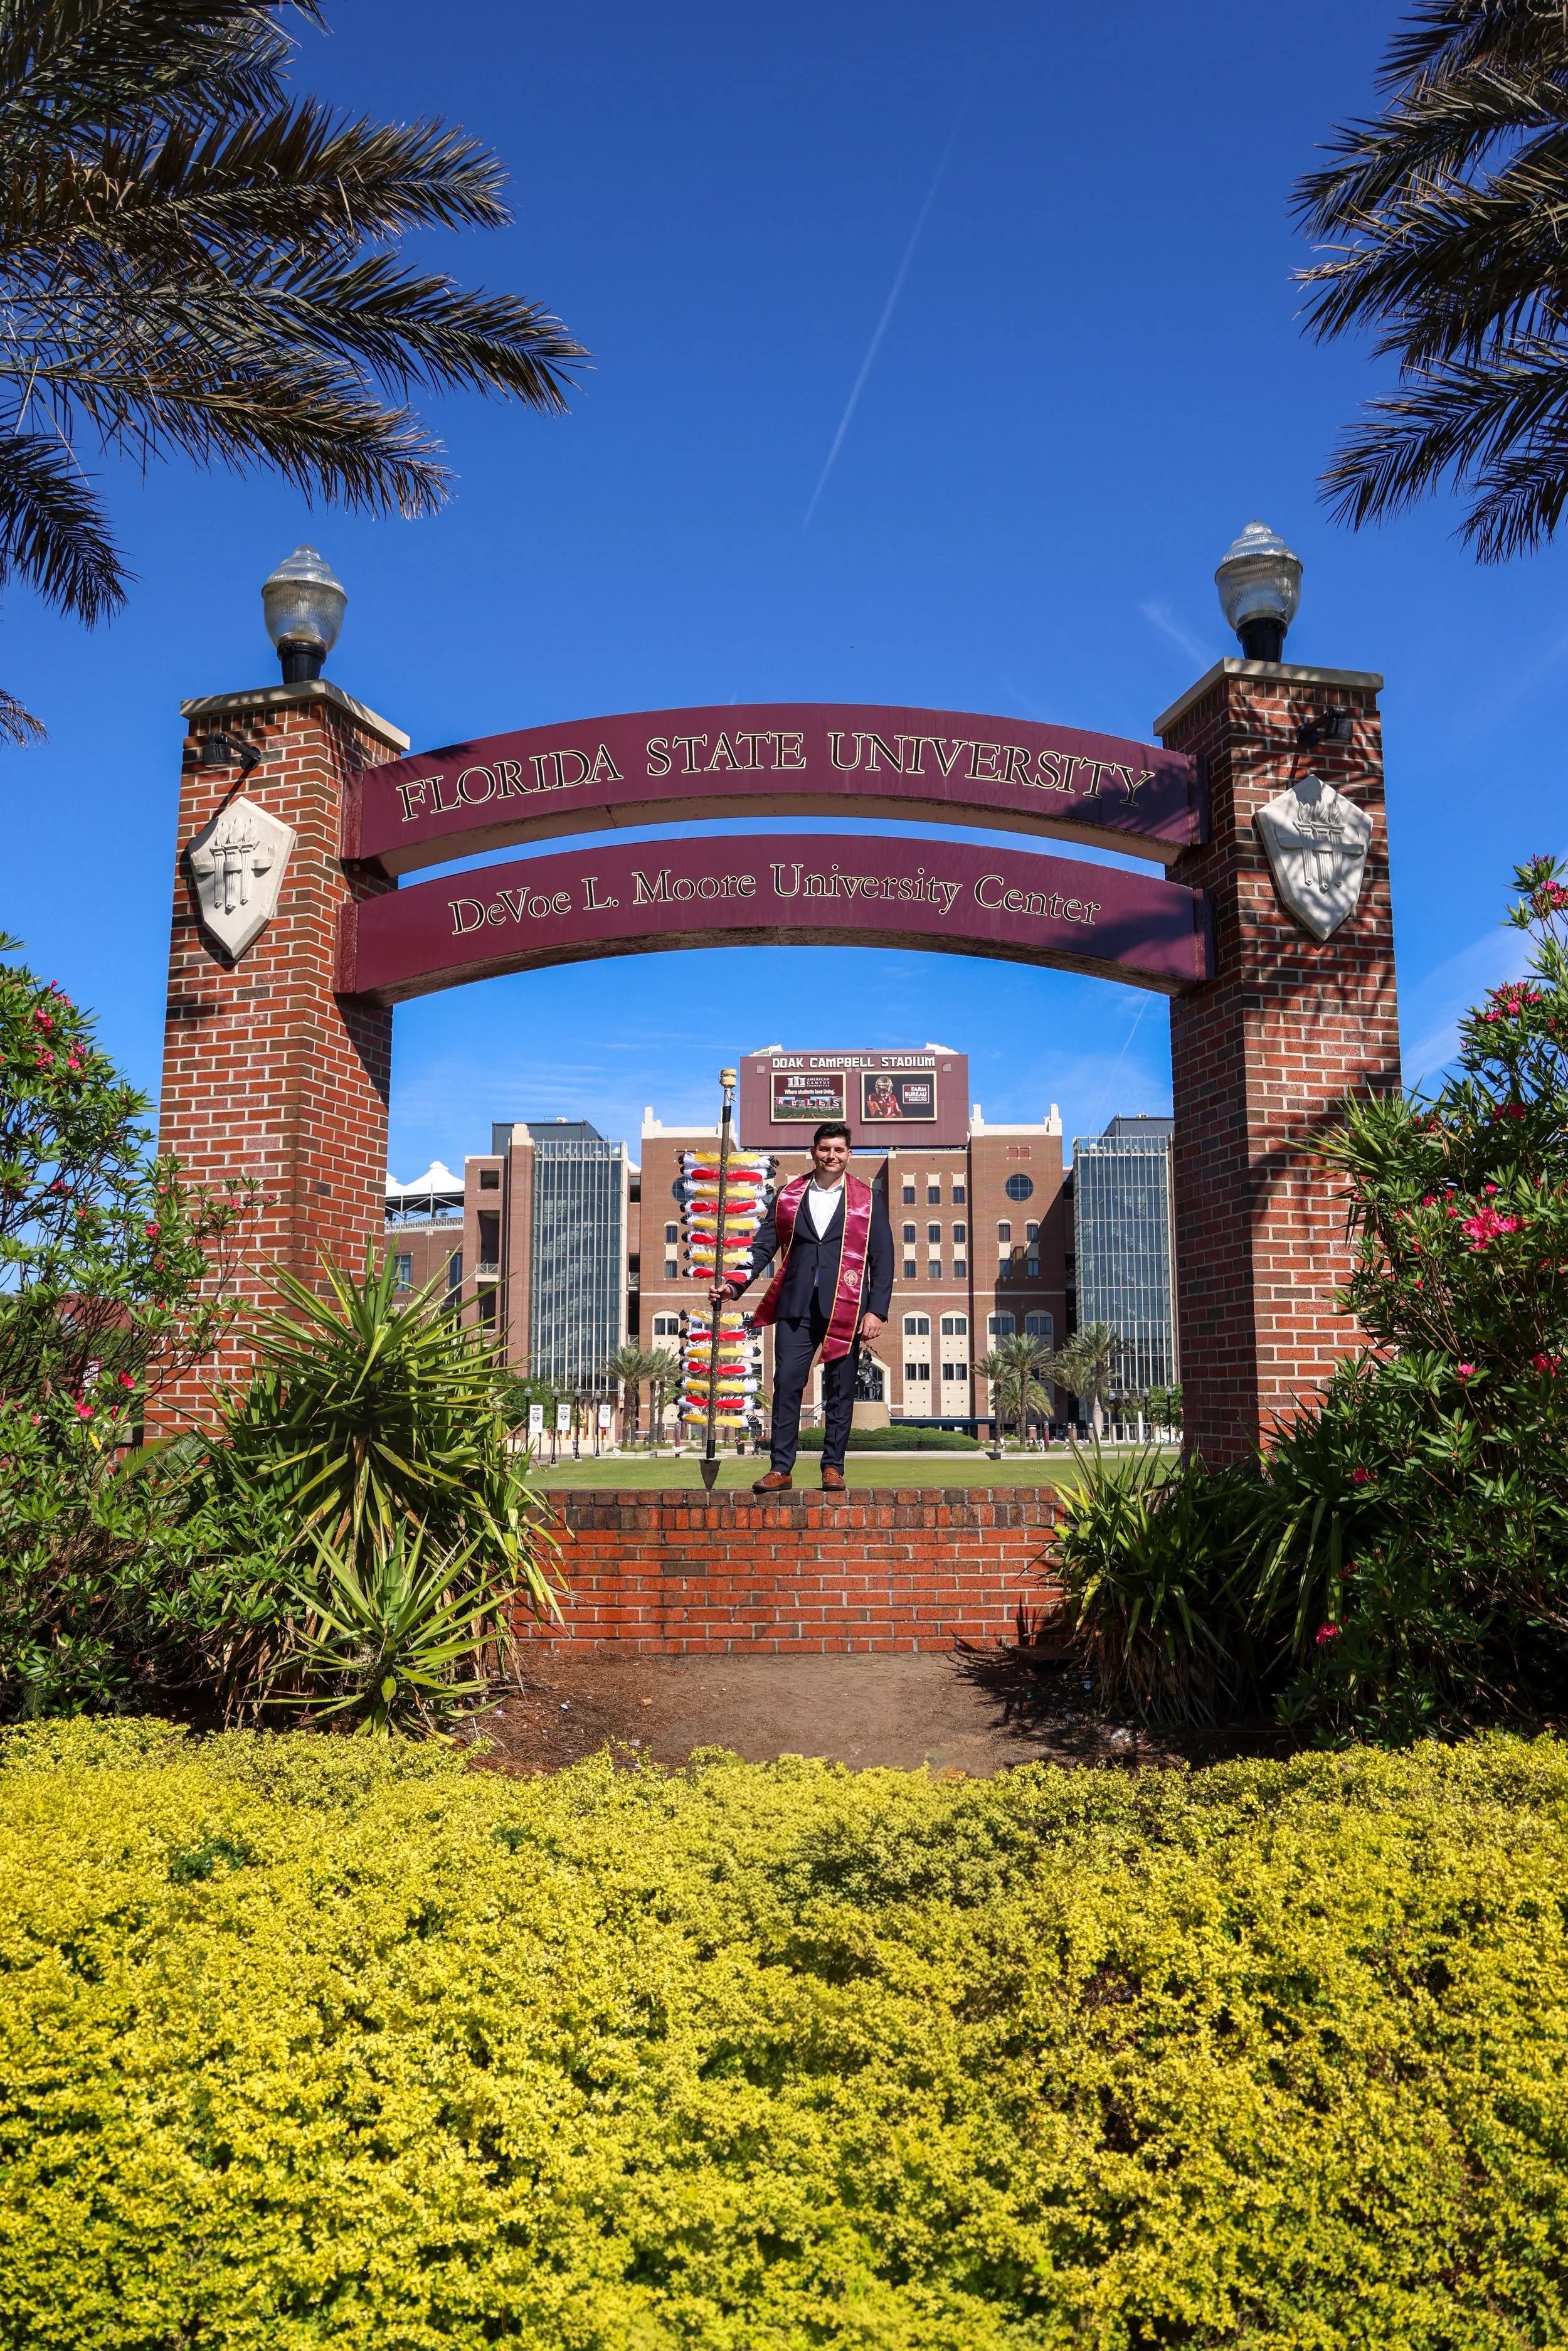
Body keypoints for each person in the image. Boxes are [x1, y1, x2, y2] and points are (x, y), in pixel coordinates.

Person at [714, 1120, 893, 1493]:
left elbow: (883, 1257)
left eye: (839, 1150)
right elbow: (763, 1248)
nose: (832, 1156)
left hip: (846, 1307)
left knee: (841, 1390)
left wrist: (876, 1311)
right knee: (787, 1385)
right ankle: (781, 1468)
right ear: (813, 1151)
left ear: (849, 1154)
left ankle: (833, 1467)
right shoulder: (788, 1195)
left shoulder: (867, 1198)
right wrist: (734, 1286)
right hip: (795, 1306)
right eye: (825, 1148)